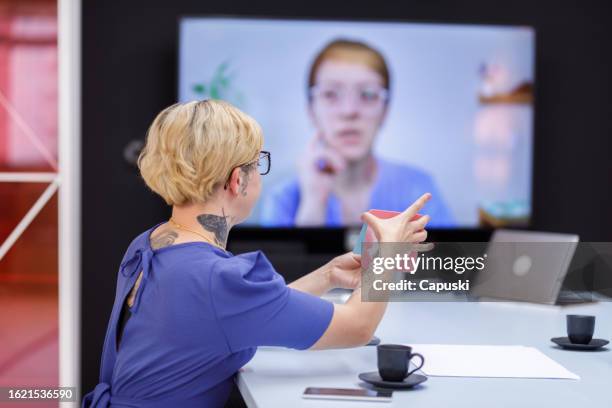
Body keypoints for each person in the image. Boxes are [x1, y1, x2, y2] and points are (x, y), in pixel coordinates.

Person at [82, 100, 432, 408]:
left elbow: (239, 312)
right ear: (238, 180)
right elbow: (356, 327)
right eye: (257, 163)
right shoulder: (216, 280)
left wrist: (326, 277)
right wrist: (386, 254)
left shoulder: (151, 243)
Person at [260, 39, 453, 227]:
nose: (349, 111)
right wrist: (313, 205)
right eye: (331, 94)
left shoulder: (419, 189)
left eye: (368, 95)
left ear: (385, 111)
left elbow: (452, 259)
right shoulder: (283, 199)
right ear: (311, 111)